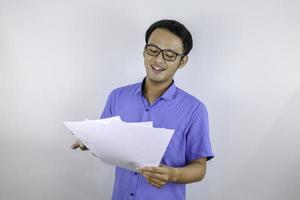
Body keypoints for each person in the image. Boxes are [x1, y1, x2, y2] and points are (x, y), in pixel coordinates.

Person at [71, 19, 214, 200]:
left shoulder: (194, 109)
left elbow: (199, 168)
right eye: (153, 50)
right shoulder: (117, 96)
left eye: (169, 54)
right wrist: (90, 140)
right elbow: (105, 144)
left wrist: (172, 174)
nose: (158, 59)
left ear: (182, 61)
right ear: (144, 51)